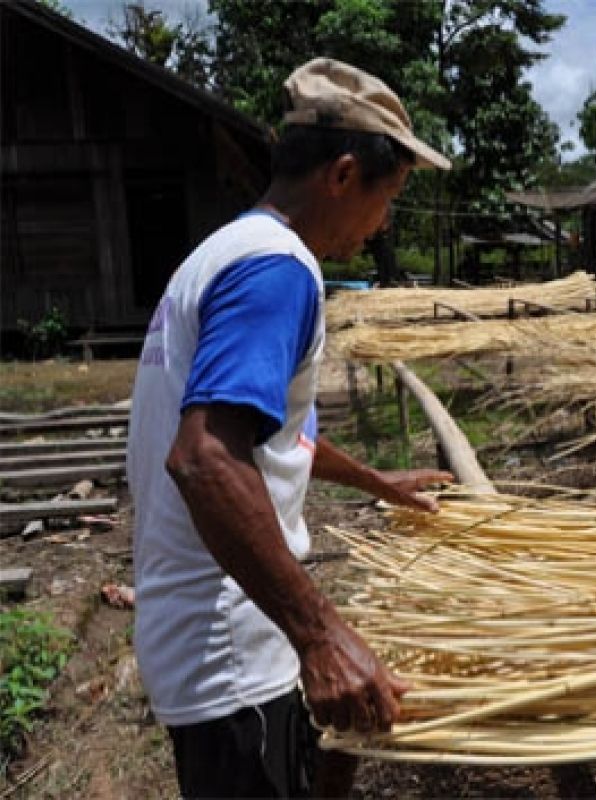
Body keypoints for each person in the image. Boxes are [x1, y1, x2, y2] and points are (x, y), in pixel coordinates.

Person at [127, 58, 454, 798]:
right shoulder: (278, 270)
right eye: (388, 197)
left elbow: (265, 434)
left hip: (210, 646)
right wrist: (322, 635)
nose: (383, 226)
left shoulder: (226, 251)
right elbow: (206, 456)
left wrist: (376, 481)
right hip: (234, 659)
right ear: (343, 176)